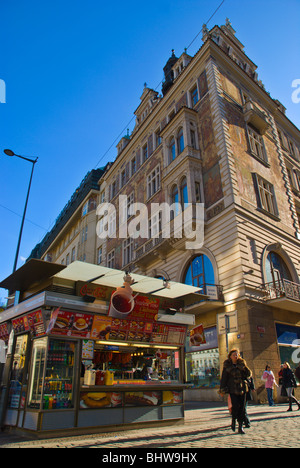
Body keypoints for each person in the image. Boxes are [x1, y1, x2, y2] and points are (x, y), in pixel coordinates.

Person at [220, 348, 252, 435]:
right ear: (230, 356)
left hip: (242, 389)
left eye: (237, 354)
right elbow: (224, 378)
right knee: (235, 407)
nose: (236, 356)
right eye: (234, 355)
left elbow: (248, 374)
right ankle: (233, 420)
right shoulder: (227, 366)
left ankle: (240, 426)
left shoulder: (241, 364)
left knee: (242, 408)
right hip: (233, 389)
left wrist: (244, 367)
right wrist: (222, 389)